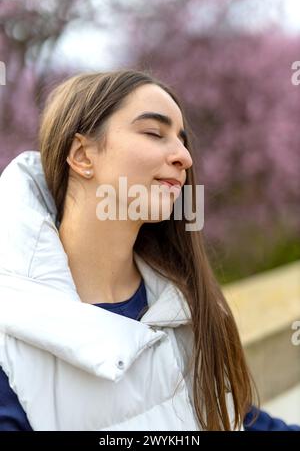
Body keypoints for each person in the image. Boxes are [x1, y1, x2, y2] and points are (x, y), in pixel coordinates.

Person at [0, 69, 255, 431]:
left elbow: (235, 416)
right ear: (82, 156)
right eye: (154, 133)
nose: (184, 157)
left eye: (182, 140)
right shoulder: (11, 345)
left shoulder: (186, 302)